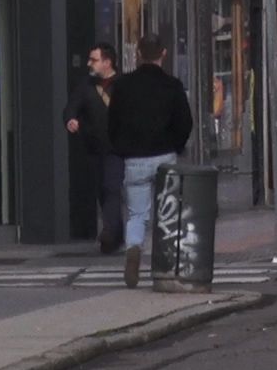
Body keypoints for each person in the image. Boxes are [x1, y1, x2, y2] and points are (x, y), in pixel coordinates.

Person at [107, 35, 194, 288]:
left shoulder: (123, 86)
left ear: (138, 54)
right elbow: (185, 122)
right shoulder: (173, 86)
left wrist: (121, 148)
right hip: (165, 155)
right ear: (163, 54)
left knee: (137, 214)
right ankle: (167, 263)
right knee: (168, 212)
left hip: (135, 158)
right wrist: (176, 145)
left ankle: (134, 248)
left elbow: (113, 123)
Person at [64, 43, 123, 253]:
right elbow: (71, 107)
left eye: (94, 60)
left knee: (112, 187)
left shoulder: (122, 84)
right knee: (103, 190)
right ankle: (116, 235)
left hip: (118, 148)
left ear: (107, 62)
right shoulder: (85, 87)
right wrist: (71, 119)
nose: (89, 63)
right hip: (94, 147)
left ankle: (108, 231)